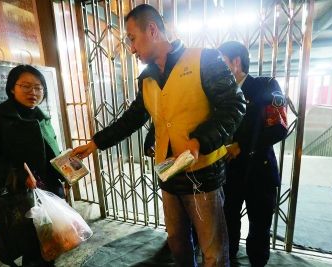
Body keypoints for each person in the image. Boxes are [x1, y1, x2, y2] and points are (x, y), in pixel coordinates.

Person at [72, 4, 246, 266]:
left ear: (152, 30)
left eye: (132, 38)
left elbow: (235, 105)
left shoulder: (205, 60)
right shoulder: (147, 78)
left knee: (213, 250)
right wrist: (95, 143)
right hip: (168, 172)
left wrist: (200, 140)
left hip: (204, 175)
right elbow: (132, 119)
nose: (131, 48)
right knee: (177, 241)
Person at [0, 65, 66, 267]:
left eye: (38, 87)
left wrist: (66, 169)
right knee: (33, 251)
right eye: (25, 86)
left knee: (51, 247)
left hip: (49, 194)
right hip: (21, 199)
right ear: (11, 89)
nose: (33, 92)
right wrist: (16, 174)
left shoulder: (42, 117)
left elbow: (51, 154)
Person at [218, 41, 288, 267]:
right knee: (228, 224)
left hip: (260, 171)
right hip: (229, 172)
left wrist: (241, 145)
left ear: (235, 62)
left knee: (259, 228)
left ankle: (258, 262)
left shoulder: (266, 86)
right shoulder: (220, 93)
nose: (218, 69)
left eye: (222, 62)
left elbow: (278, 127)